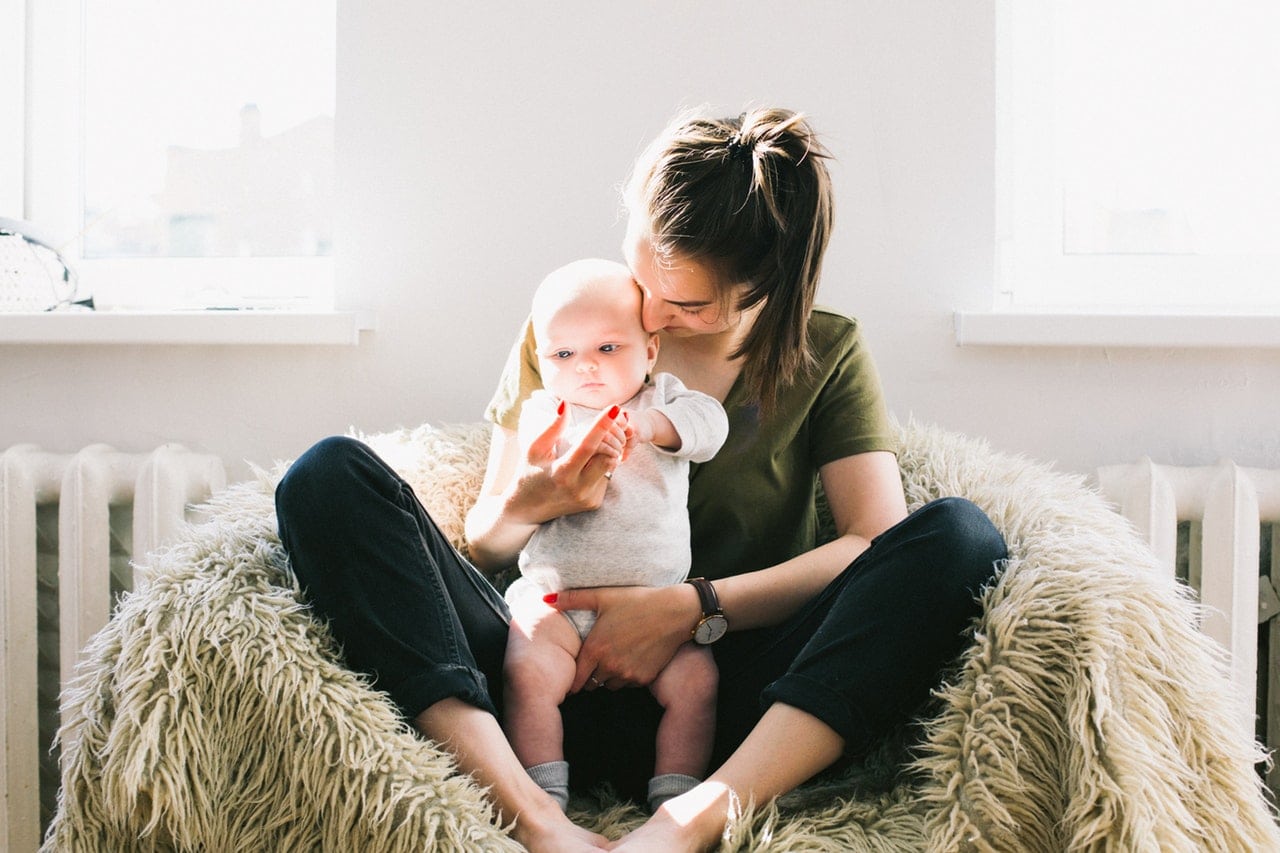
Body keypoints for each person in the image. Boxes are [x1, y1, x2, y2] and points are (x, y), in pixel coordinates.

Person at [274, 106, 1008, 853]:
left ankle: (689, 821)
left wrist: (691, 610)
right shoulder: (575, 324)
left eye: (686, 304)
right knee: (325, 477)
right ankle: (528, 812)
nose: (649, 314)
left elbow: (869, 542)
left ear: (764, 286)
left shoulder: (827, 351)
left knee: (961, 538)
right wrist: (532, 502)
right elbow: (485, 548)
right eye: (642, 271)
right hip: (537, 673)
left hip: (720, 698)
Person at [502, 258, 728, 815]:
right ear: (541, 360)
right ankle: (544, 797)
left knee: (698, 685)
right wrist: (552, 444)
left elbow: (711, 427)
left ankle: (673, 799)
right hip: (557, 604)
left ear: (649, 351)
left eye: (608, 349)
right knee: (525, 674)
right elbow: (529, 458)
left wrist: (651, 427)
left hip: (658, 610)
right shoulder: (546, 410)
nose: (586, 368)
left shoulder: (664, 401)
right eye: (564, 354)